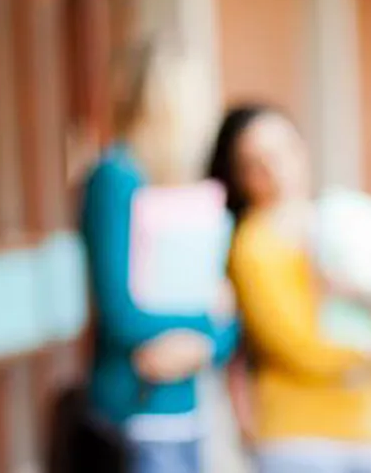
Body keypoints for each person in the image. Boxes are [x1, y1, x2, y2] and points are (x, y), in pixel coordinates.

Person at [207, 104, 371, 473]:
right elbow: (295, 348)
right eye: (256, 163)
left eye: (284, 152)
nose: (276, 171)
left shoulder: (341, 221)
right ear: (239, 177)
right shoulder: (253, 244)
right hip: (299, 435)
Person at [80, 40, 239, 473]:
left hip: (186, 413)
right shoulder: (115, 177)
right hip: (135, 411)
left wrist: (208, 342)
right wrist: (207, 328)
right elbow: (120, 313)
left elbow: (229, 319)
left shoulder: (186, 185)